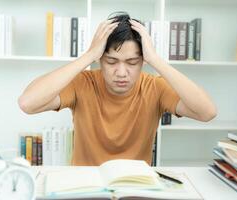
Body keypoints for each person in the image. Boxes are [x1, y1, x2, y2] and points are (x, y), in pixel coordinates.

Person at [18, 12, 217, 166]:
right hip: (85, 186)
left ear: (143, 61)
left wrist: (156, 59)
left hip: (134, 187)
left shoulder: (155, 86)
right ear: (100, 59)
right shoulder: (83, 83)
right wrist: (88, 56)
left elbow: (207, 112)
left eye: (132, 62)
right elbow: (28, 103)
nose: (121, 72)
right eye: (111, 61)